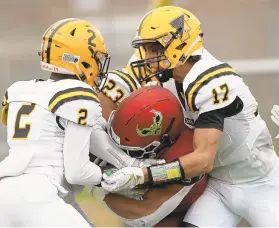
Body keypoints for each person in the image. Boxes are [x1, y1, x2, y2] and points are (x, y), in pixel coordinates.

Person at [100, 6, 279, 227]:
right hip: (219, 187)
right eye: (145, 48)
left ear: (180, 45)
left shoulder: (211, 81)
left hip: (262, 184)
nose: (146, 56)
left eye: (153, 47)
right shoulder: (165, 69)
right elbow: (110, 89)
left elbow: (204, 160)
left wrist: (143, 174)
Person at [0, 18, 163, 227]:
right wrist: (115, 175)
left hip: (5, 193)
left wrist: (134, 166)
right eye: (96, 57)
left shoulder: (20, 90)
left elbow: (93, 136)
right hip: (39, 194)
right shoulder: (78, 94)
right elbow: (77, 172)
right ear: (81, 58)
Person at [92, 86, 207, 227]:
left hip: (178, 215)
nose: (123, 152)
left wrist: (98, 189)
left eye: (132, 151)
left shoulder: (185, 158)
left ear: (164, 139)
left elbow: (142, 216)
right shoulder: (150, 93)